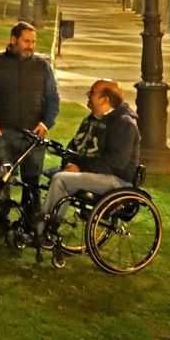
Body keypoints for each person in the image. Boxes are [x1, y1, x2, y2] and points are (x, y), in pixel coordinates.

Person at [0, 21, 59, 224]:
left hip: (33, 135)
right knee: (2, 180)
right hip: (3, 132)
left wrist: (47, 123)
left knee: (32, 182)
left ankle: (30, 225)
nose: (30, 45)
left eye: (33, 42)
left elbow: (53, 98)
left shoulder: (42, 66)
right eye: (26, 41)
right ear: (13, 39)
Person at [42, 80, 141, 232]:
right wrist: (69, 162)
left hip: (116, 179)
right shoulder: (93, 118)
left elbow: (116, 162)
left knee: (60, 179)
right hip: (94, 172)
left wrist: (80, 167)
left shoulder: (124, 124)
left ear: (105, 100)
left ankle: (44, 230)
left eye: (92, 92)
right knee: (50, 173)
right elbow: (75, 144)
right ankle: (45, 223)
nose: (88, 93)